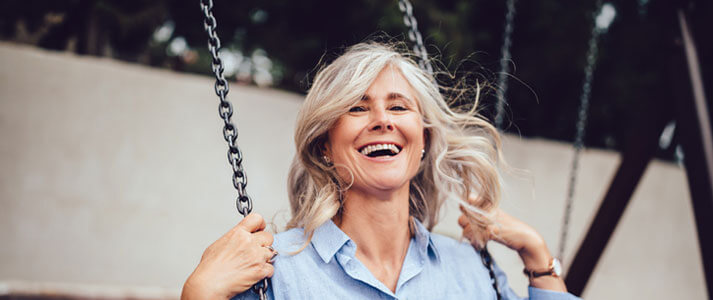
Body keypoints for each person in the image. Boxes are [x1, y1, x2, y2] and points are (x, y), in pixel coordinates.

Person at [181, 42, 581, 299]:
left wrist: (537, 255)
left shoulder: (470, 269)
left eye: (398, 106)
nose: (381, 120)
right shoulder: (275, 272)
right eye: (357, 107)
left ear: (422, 139)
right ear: (324, 145)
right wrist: (198, 294)